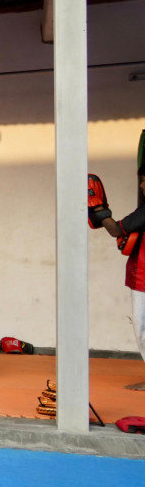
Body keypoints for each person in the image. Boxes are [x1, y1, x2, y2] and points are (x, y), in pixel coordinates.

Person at [90, 166, 145, 389]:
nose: (141, 185)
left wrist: (99, 207)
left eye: (144, 181)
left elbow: (116, 230)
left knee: (143, 328)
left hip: (143, 277)